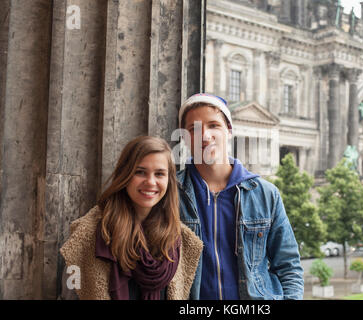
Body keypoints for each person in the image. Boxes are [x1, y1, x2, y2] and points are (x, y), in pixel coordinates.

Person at [177, 93, 304, 300]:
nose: (205, 136)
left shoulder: (265, 194)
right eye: (194, 129)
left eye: (213, 126)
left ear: (228, 131)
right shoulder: (170, 193)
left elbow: (288, 266)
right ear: (184, 137)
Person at [59, 136, 203, 300]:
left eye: (159, 174)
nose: (150, 182)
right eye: (140, 172)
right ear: (125, 175)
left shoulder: (183, 242)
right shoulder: (87, 236)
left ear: (169, 181)